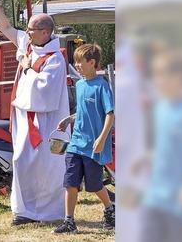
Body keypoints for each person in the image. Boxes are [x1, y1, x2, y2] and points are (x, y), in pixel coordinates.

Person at [0, 0, 69, 225]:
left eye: (31, 29)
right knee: (21, 161)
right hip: (24, 117)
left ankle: (49, 213)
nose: (27, 33)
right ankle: (23, 211)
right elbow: (6, 28)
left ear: (44, 32)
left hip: (45, 121)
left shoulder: (55, 59)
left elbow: (45, 92)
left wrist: (29, 66)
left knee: (47, 167)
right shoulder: (28, 45)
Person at [137, 49, 182, 242]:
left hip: (181, 200)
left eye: (164, 75)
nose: (159, 80)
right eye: (156, 75)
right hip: (156, 195)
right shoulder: (160, 108)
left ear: (180, 77)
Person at [54, 43, 115, 234]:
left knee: (94, 185)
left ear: (93, 63)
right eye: (75, 62)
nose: (77, 66)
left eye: (80, 62)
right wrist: (69, 119)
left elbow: (110, 114)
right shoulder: (79, 85)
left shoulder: (102, 86)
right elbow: (82, 111)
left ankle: (110, 210)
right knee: (70, 183)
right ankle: (69, 221)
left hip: (93, 146)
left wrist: (102, 139)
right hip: (76, 144)